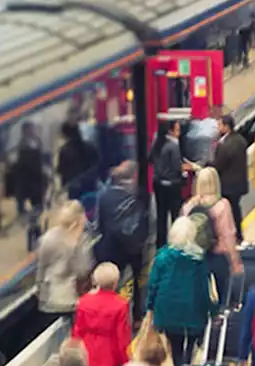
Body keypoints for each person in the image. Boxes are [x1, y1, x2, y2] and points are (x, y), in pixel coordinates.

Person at [147, 217, 214, 366]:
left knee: (174, 341)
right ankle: (186, 363)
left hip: (168, 307)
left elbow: (153, 284)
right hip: (193, 307)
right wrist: (211, 309)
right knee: (191, 340)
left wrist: (150, 306)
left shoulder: (162, 256)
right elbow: (204, 287)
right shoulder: (198, 258)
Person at [94, 161, 149, 317]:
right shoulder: (140, 194)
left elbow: (100, 224)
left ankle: (110, 313)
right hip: (134, 246)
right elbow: (147, 219)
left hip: (112, 246)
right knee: (138, 279)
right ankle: (138, 313)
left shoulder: (104, 196)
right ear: (134, 176)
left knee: (112, 282)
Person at [180, 167, 242, 302]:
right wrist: (235, 261)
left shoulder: (188, 206)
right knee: (222, 296)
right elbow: (228, 234)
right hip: (218, 256)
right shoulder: (222, 205)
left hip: (195, 256)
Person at [72, 263, 132, 366]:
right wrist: (125, 361)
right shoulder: (120, 304)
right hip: (109, 358)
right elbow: (121, 337)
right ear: (115, 282)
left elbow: (77, 331)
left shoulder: (84, 302)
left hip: (86, 356)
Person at [151, 119, 190, 247]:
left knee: (161, 216)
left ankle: (160, 244)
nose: (179, 133)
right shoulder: (173, 145)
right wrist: (184, 173)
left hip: (158, 185)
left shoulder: (157, 143)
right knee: (175, 215)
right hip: (172, 186)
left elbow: (150, 159)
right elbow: (177, 167)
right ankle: (176, 242)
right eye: (177, 130)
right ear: (170, 131)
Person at [211, 115, 249, 241]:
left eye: (220, 125)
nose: (218, 127)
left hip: (228, 184)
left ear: (226, 127)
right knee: (235, 208)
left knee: (229, 210)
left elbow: (218, 164)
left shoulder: (226, 145)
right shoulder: (241, 140)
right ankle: (238, 234)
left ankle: (231, 234)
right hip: (239, 183)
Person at [56, 122, 99, 200]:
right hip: (90, 185)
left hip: (74, 187)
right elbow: (97, 164)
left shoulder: (65, 150)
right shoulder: (90, 146)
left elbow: (61, 170)